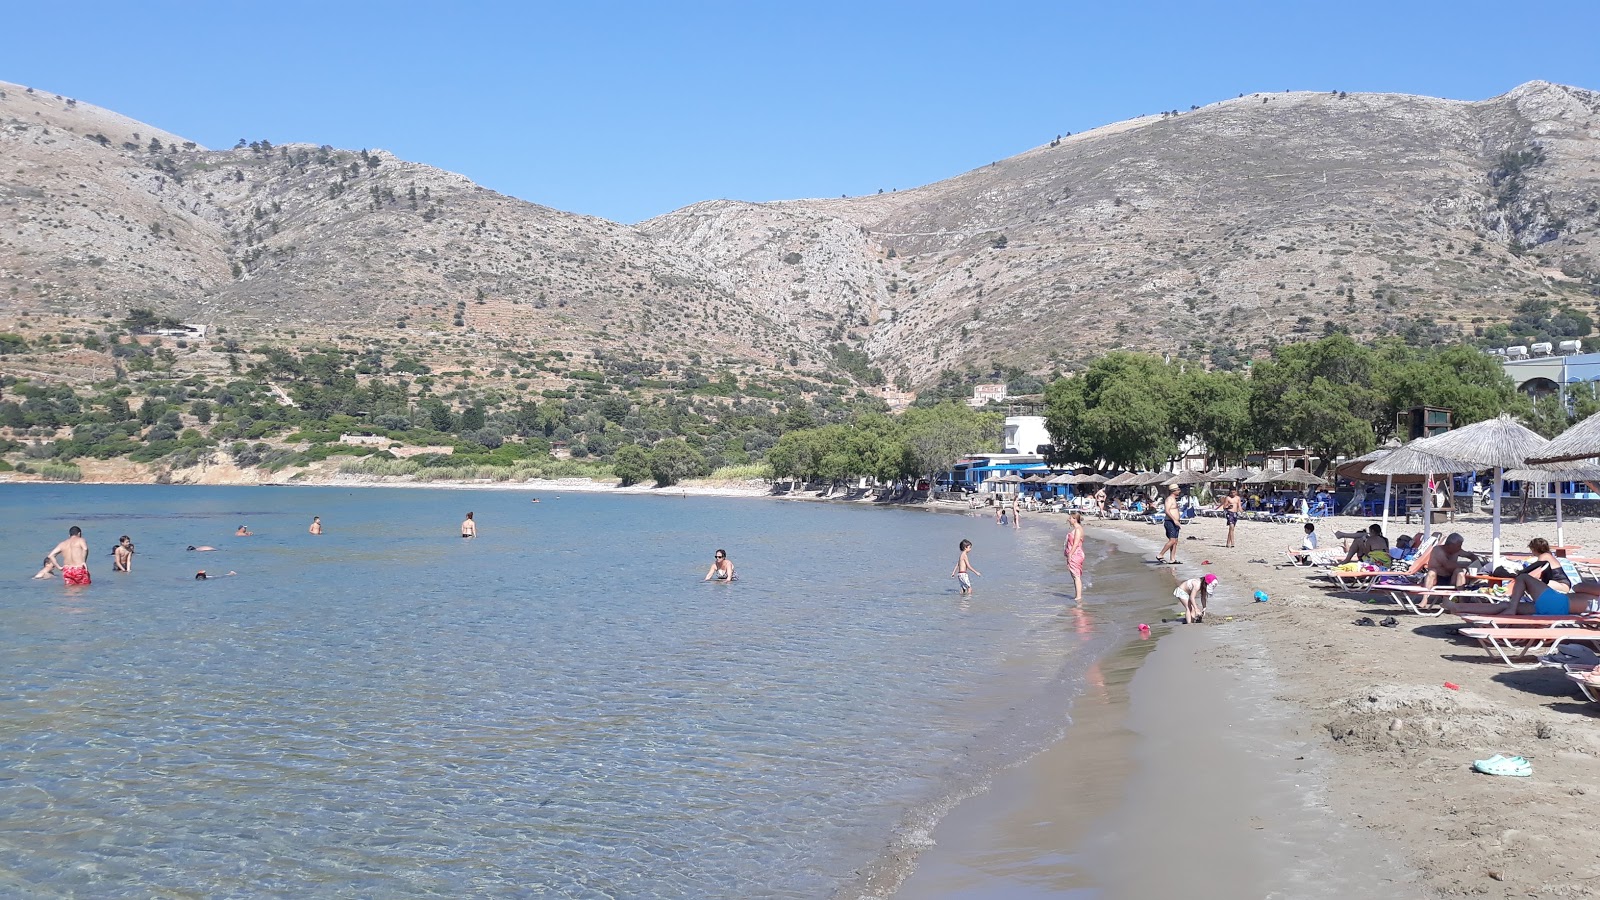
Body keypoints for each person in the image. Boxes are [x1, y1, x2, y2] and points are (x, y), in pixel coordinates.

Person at [1063, 512, 1086, 602]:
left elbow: (1076, 543)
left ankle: (1078, 597)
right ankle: (1077, 595)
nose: (1068, 520)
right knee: (1075, 576)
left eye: (1070, 518)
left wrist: (1070, 555)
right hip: (1076, 553)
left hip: (1076, 554)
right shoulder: (1078, 528)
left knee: (1076, 576)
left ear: (1074, 519)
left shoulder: (1077, 529)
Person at [1157, 486, 1181, 564]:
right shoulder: (1169, 499)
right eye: (1178, 490)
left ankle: (1172, 559)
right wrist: (1174, 520)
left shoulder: (1174, 499)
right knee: (1172, 540)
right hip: (1170, 522)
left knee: (1175, 541)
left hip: (1175, 522)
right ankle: (1160, 555)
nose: (1179, 491)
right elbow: (1167, 511)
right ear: (1174, 491)